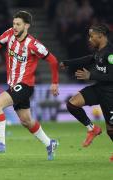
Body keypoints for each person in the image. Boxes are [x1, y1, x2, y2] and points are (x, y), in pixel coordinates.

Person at [0, 11, 59, 160]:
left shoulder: (33, 44)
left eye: (18, 24)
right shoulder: (9, 34)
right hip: (14, 85)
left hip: (25, 85)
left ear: (27, 25)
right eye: (14, 24)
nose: (15, 27)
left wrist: (55, 82)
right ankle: (49, 143)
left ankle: (1, 143)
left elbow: (53, 60)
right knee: (26, 121)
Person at [60, 24, 113, 161]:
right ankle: (92, 128)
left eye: (91, 36)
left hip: (110, 94)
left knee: (111, 130)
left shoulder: (110, 53)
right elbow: (89, 59)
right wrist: (67, 63)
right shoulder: (98, 51)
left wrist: (91, 76)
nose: (89, 39)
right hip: (98, 90)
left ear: (100, 35)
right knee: (72, 104)